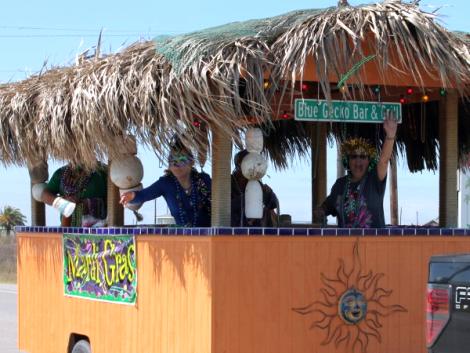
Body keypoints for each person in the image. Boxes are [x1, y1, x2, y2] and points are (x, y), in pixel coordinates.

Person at [315, 110, 398, 228]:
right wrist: (320, 211)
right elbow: (328, 206)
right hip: (345, 245)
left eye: (363, 156)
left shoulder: (374, 179)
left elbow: (384, 161)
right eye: (354, 156)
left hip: (375, 244)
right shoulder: (340, 184)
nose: (358, 161)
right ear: (347, 160)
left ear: (369, 160)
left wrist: (390, 136)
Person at [120, 143, 211, 227]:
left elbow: (220, 203)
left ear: (192, 162)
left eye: (182, 160)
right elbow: (144, 195)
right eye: (173, 160)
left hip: (211, 237)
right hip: (183, 238)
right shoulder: (166, 183)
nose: (176, 165)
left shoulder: (202, 180)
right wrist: (131, 196)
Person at [42, 163, 107, 227]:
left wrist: (88, 204)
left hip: (98, 230)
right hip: (67, 229)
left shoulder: (103, 171)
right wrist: (64, 203)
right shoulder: (61, 173)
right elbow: (45, 195)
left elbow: (114, 201)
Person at [231, 149, 279, 227]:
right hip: (236, 230)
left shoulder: (255, 183)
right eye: (248, 163)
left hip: (257, 230)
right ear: (238, 165)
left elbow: (273, 204)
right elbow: (227, 208)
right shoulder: (229, 182)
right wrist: (248, 197)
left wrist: (269, 193)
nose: (252, 167)